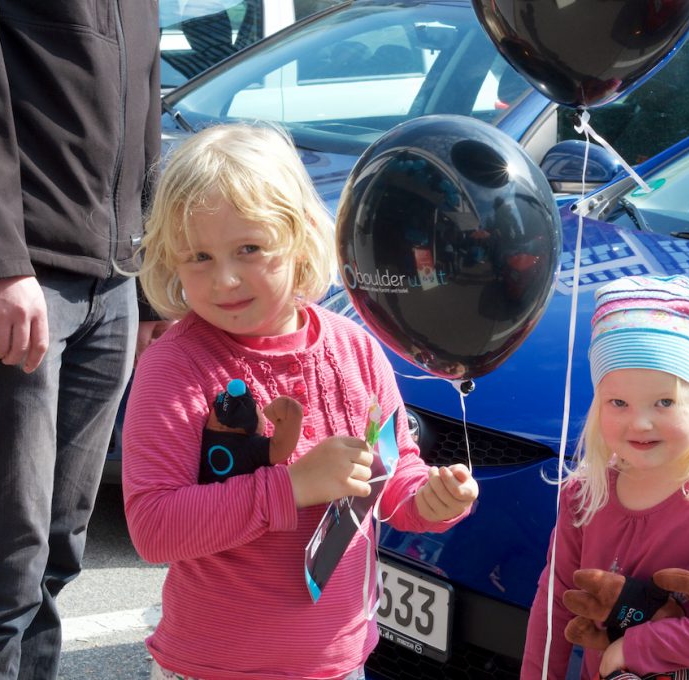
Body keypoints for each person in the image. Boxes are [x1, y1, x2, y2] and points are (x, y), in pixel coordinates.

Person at [123, 123, 479, 680]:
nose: (226, 279)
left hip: (337, 664)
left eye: (249, 248)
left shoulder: (357, 350)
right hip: (213, 667)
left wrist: (430, 498)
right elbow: (154, 527)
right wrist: (292, 487)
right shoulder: (174, 367)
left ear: (299, 236)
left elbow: (389, 477)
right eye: (198, 258)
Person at [0, 3, 163, 677]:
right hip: (26, 276)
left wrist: (152, 281)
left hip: (112, 281)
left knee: (56, 551)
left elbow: (146, 103)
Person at [520, 275, 689, 680]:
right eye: (618, 402)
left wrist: (636, 647)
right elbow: (555, 601)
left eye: (665, 401)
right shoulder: (583, 492)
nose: (640, 422)